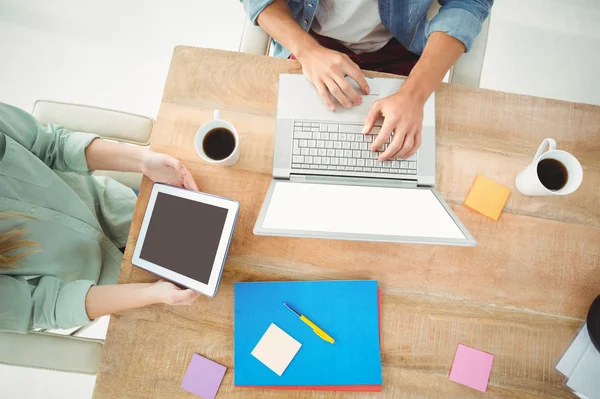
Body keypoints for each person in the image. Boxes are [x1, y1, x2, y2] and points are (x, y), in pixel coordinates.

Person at [0, 102, 202, 333]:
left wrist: (143, 161)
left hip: (121, 209)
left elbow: (52, 145)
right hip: (110, 288)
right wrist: (151, 294)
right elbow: (45, 307)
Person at [242, 0, 493, 160]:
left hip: (399, 47)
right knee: (279, 152)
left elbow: (468, 4)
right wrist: (307, 51)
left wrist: (414, 96)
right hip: (310, 40)